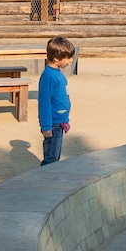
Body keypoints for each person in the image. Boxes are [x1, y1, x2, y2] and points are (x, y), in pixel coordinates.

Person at [39, 36, 75, 166]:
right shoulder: (48, 76)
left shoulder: (57, 73)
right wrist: (46, 126)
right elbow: (44, 103)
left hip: (59, 121)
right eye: (68, 58)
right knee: (51, 159)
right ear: (56, 58)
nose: (70, 61)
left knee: (55, 156)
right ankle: (45, 181)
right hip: (53, 124)